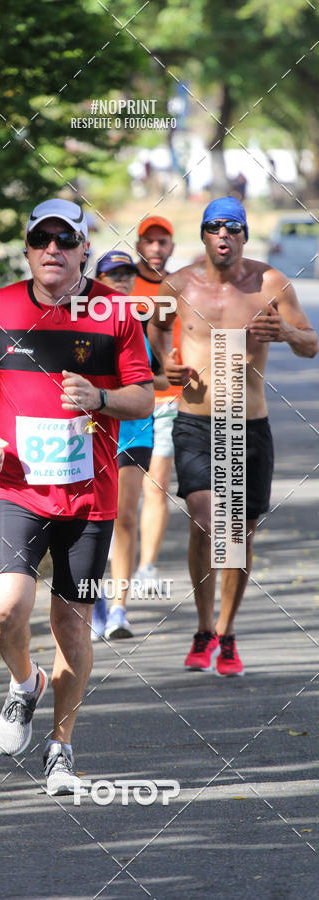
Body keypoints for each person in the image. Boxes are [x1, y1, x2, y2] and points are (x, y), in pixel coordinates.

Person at [0, 199, 154, 794]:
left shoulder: (116, 312)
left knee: (73, 625)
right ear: (27, 249)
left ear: (84, 249)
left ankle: (61, 747)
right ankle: (23, 684)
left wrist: (99, 400)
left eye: (65, 241)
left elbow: (143, 398)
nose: (52, 250)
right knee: (5, 610)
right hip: (15, 487)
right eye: (41, 240)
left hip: (90, 496)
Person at [148, 196, 317, 676]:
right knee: (204, 519)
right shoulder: (178, 284)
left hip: (248, 424)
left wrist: (284, 330)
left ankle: (226, 633)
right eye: (214, 228)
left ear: (244, 236)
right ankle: (203, 627)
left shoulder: (270, 283)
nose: (224, 236)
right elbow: (155, 329)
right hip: (197, 421)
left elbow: (311, 346)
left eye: (234, 228)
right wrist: (167, 364)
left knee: (237, 536)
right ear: (203, 236)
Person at [89, 251, 168, 640]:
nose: (121, 280)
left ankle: (119, 608)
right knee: (88, 518)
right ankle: (92, 600)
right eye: (113, 274)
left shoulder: (143, 318)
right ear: (98, 277)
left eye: (127, 275)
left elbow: (160, 375)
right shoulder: (80, 318)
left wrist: (180, 375)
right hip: (90, 429)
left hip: (135, 427)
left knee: (125, 516)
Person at [132, 217, 179, 588]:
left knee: (157, 484)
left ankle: (146, 566)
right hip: (124, 402)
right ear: (138, 245)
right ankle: (117, 555)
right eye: (150, 242)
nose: (157, 249)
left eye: (163, 242)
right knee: (119, 489)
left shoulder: (180, 287)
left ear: (172, 247)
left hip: (166, 400)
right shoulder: (118, 282)